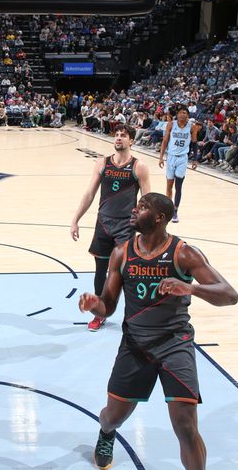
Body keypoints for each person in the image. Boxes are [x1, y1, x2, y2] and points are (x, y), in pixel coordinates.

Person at [79, 193, 238, 470]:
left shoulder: (184, 253)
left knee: (185, 425)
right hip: (135, 346)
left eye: (142, 207)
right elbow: (108, 307)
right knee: (112, 417)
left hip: (175, 344)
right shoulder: (122, 253)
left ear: (158, 218)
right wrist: (95, 305)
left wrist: (191, 287)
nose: (133, 210)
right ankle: (106, 433)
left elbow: (229, 294)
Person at [70, 124, 151, 331]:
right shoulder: (102, 163)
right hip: (104, 224)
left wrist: (148, 229)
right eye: (116, 135)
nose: (118, 138)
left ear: (131, 141)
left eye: (123, 135)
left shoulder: (138, 166)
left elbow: (147, 201)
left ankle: (133, 314)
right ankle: (99, 312)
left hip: (126, 227)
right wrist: (75, 219)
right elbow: (89, 194)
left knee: (127, 273)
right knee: (100, 270)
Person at [159, 108, 198, 223]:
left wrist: (195, 160)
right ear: (177, 114)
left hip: (182, 159)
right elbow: (165, 141)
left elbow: (195, 144)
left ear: (188, 115)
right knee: (169, 185)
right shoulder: (171, 124)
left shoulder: (192, 127)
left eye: (185, 113)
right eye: (180, 112)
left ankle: (175, 211)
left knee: (178, 186)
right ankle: (168, 209)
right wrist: (161, 157)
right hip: (171, 157)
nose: (182, 114)